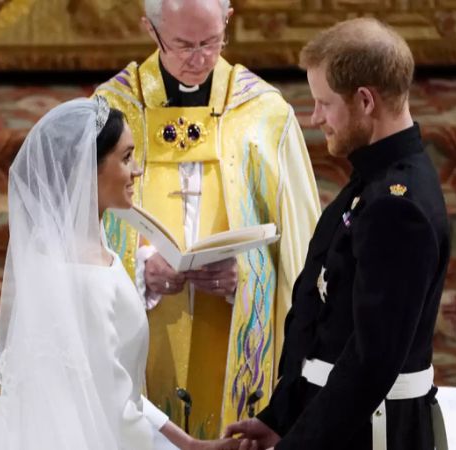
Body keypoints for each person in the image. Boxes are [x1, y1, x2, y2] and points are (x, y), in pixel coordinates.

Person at [93, 0, 321, 435]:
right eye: (182, 45)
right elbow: (78, 227)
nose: (199, 58)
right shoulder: (111, 109)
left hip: (232, 331)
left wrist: (248, 279)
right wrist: (137, 271)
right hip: (145, 331)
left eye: (211, 42)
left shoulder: (266, 115)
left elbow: (302, 250)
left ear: (228, 21)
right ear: (149, 29)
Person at [224, 18, 451, 450]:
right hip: (340, 422)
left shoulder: (396, 207)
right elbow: (326, 325)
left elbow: (371, 362)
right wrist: (282, 417)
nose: (316, 118)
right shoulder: (374, 180)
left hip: (370, 432)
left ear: (365, 100)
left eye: (325, 103)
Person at [0, 97, 242, 450]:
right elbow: (112, 408)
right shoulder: (84, 277)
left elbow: (119, 388)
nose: (137, 170)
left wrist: (188, 443)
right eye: (126, 158)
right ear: (86, 170)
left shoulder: (87, 247)